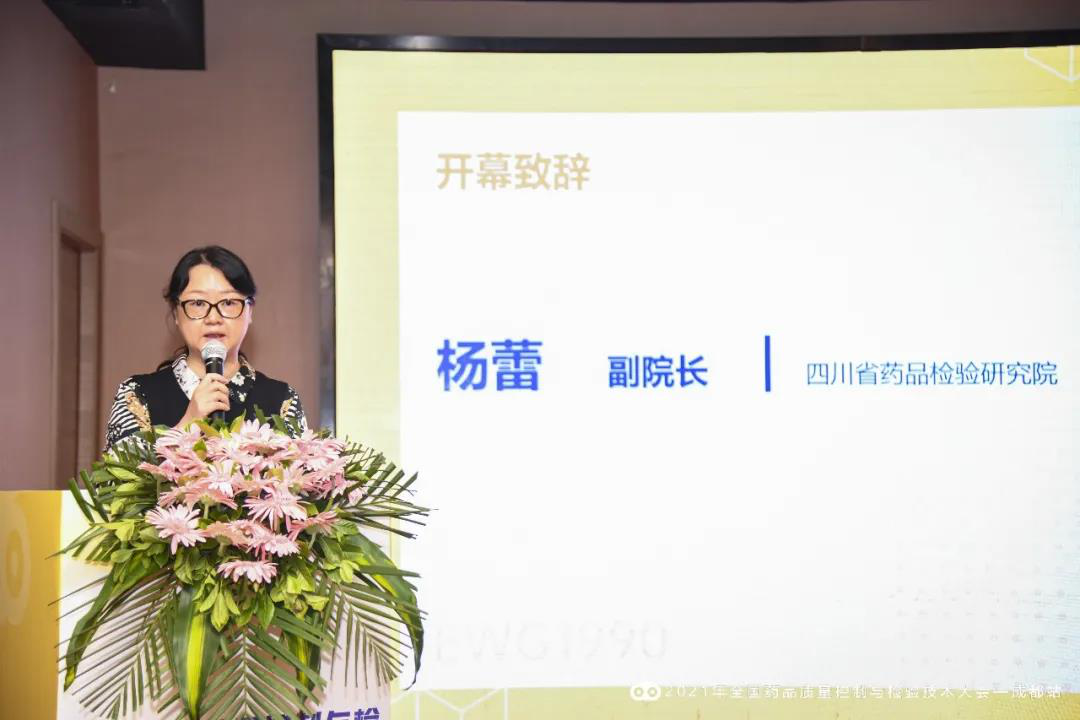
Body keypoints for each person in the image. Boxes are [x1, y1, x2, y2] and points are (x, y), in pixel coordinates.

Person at [104, 246, 306, 449]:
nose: (213, 318)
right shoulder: (136, 395)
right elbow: (116, 470)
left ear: (249, 311)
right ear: (175, 312)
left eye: (229, 302)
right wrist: (187, 425)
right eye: (198, 303)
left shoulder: (282, 400)